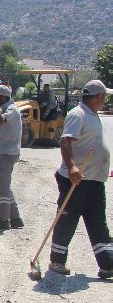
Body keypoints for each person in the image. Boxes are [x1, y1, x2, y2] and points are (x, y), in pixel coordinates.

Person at [47, 79, 112, 278]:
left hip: (94, 181)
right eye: (104, 97)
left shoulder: (92, 115)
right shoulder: (78, 114)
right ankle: (57, 261)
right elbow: (66, 141)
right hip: (76, 179)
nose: (105, 100)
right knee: (67, 218)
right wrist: (73, 167)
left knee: (97, 222)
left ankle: (107, 264)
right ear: (99, 97)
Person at [0, 85, 24, 229]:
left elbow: (1, 121)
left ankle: (3, 220)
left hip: (8, 152)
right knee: (4, 185)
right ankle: (15, 218)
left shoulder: (11, 110)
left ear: (3, 97)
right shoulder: (5, 108)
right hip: (5, 151)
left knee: (2, 187)